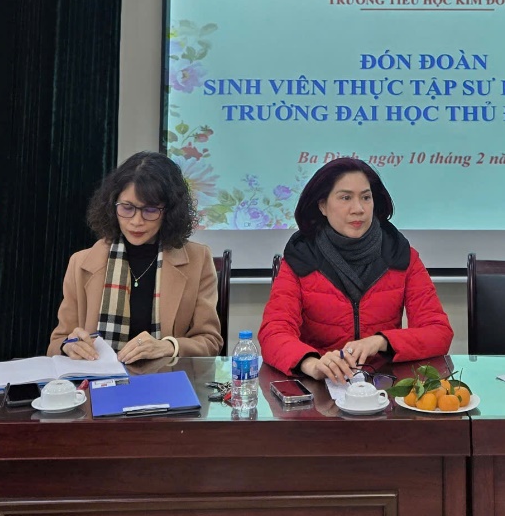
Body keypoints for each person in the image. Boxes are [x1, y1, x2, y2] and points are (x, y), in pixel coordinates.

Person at [259, 157, 452, 382]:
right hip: (321, 387)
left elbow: (439, 332)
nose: (358, 209)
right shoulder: (302, 256)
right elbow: (274, 332)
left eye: (366, 198)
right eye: (345, 198)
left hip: (384, 387)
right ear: (322, 205)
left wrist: (381, 341)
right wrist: (312, 364)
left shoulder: (399, 253)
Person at [49, 151, 222, 363]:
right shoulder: (81, 263)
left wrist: (168, 346)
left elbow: (210, 342)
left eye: (150, 210)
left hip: (168, 383)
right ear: (112, 206)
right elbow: (57, 341)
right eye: (127, 208)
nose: (136, 221)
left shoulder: (198, 259)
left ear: (169, 211)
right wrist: (70, 346)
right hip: (101, 384)